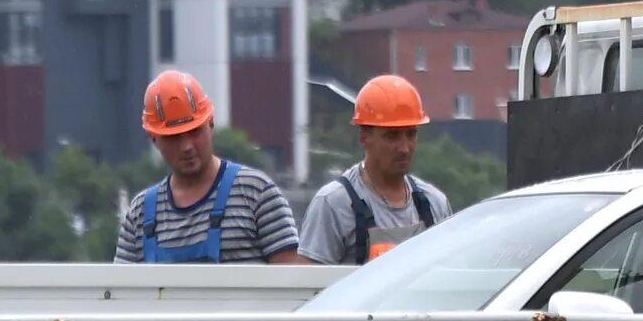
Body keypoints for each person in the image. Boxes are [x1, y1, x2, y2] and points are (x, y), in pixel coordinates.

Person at [113, 69, 307, 265]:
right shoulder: (140, 214)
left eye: (194, 132)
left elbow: (292, 284)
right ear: (154, 139)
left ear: (211, 123)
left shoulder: (257, 194)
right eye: (173, 137)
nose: (187, 146)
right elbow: (120, 291)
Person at [300, 75, 449, 265]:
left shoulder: (434, 203)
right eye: (392, 136)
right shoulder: (334, 204)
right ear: (364, 137)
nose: (404, 148)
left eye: (411, 134)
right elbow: (310, 286)